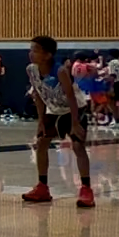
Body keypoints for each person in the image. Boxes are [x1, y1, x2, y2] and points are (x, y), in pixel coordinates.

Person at [20, 35, 93, 208]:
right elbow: (37, 94)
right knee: (41, 143)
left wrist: (75, 123)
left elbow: (71, 97)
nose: (31, 54)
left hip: (74, 109)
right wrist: (40, 120)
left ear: (48, 55)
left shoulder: (60, 71)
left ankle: (86, 189)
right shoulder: (31, 69)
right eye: (31, 50)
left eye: (35, 50)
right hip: (53, 109)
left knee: (77, 146)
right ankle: (42, 187)